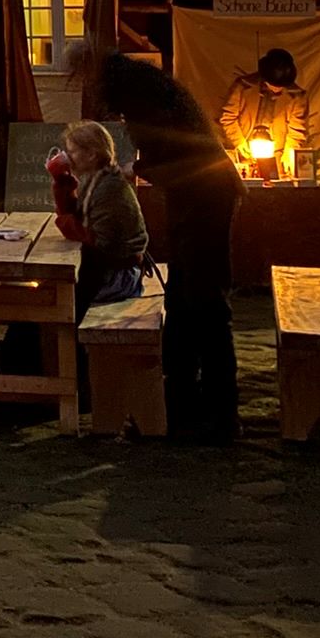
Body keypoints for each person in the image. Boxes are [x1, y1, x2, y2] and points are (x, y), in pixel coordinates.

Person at [97, 51, 245, 443]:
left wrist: (134, 169)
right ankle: (185, 405)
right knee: (184, 302)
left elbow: (168, 154)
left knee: (205, 306)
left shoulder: (153, 107)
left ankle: (218, 415)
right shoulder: (162, 98)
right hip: (201, 197)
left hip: (204, 200)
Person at [56, 121, 149, 314]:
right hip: (107, 270)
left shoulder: (110, 188)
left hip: (118, 277)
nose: (67, 157)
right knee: (49, 298)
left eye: (72, 152)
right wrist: (63, 184)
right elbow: (78, 215)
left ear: (91, 154)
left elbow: (101, 243)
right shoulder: (96, 179)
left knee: (54, 301)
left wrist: (65, 222)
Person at [219, 47, 309, 174]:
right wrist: (239, 143)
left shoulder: (297, 97)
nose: (277, 88)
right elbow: (228, 117)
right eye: (273, 83)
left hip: (277, 159)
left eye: (281, 85)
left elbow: (297, 131)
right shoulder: (243, 87)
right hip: (245, 155)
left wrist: (288, 155)